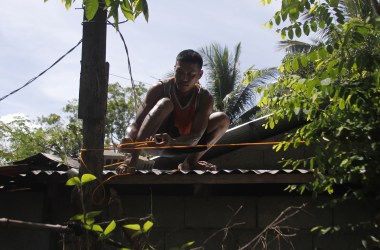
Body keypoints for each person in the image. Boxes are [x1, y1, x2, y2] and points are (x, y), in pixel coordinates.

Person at [117, 49, 230, 173]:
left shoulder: (204, 98)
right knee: (165, 103)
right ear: (175, 68)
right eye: (180, 72)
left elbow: (196, 136)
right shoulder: (159, 88)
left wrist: (172, 142)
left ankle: (190, 163)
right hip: (153, 142)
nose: (184, 78)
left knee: (222, 119)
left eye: (191, 74)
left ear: (200, 75)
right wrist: (128, 138)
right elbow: (136, 124)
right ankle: (131, 160)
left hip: (183, 145)